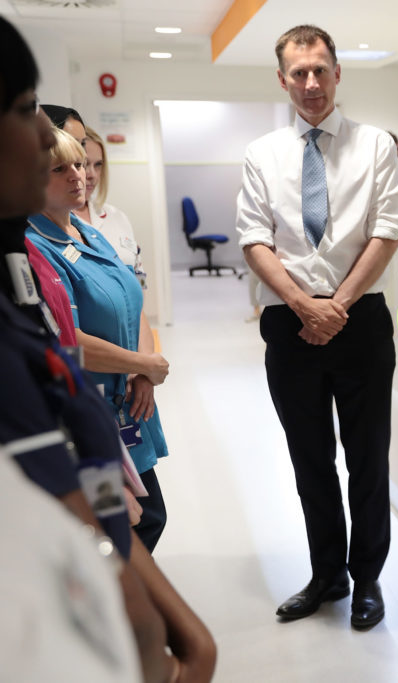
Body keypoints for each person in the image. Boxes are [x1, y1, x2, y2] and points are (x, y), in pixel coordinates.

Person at [0, 16, 215, 680]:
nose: (45, 140)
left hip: (113, 444)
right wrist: (128, 598)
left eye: (88, 163)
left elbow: (127, 297)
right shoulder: (30, 256)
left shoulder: (69, 243)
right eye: (22, 108)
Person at [237, 24, 398, 629]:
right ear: (282, 79)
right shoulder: (263, 154)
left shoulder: (375, 147)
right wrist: (304, 305)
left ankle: (367, 580)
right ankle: (327, 575)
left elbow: (388, 230)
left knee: (368, 459)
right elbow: (254, 239)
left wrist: (336, 304)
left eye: (320, 70)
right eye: (298, 73)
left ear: (338, 73)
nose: (311, 83)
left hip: (359, 320)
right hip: (289, 323)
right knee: (310, 459)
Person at [26, 125, 171, 553]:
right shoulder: (35, 249)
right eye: (60, 168)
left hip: (126, 404)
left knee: (143, 517)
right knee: (117, 527)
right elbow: (69, 342)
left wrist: (142, 370)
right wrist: (140, 365)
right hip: (84, 419)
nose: (78, 176)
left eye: (81, 164)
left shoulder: (86, 231)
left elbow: (131, 300)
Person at [75, 126, 147, 288]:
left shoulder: (117, 216)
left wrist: (141, 311)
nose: (92, 174)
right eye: (84, 164)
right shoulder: (57, 223)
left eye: (98, 165)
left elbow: (139, 277)